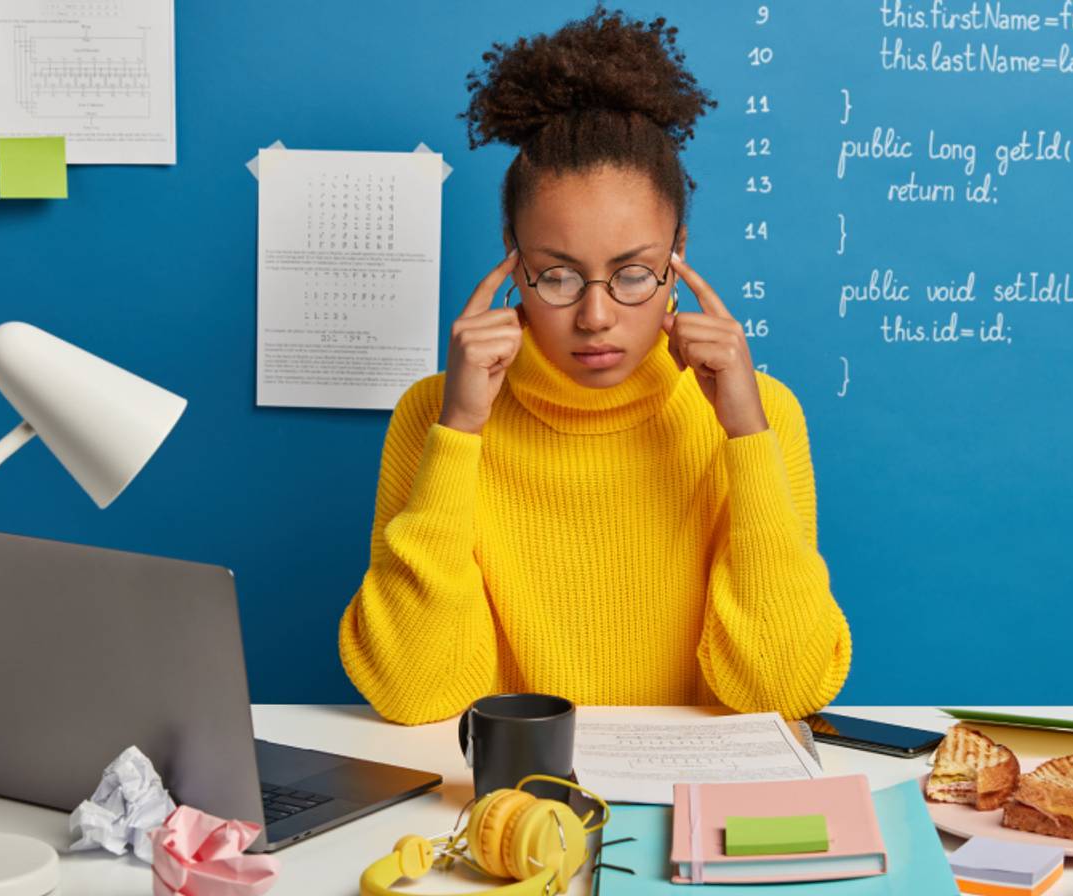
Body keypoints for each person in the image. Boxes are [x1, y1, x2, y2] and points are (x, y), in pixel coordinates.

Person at [338, 5, 851, 725]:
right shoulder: (436, 412)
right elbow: (414, 691)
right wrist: (459, 431)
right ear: (512, 256)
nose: (596, 316)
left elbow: (783, 692)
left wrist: (745, 436)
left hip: (691, 787)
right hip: (516, 785)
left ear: (679, 254)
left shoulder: (762, 414)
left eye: (634, 273)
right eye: (557, 275)